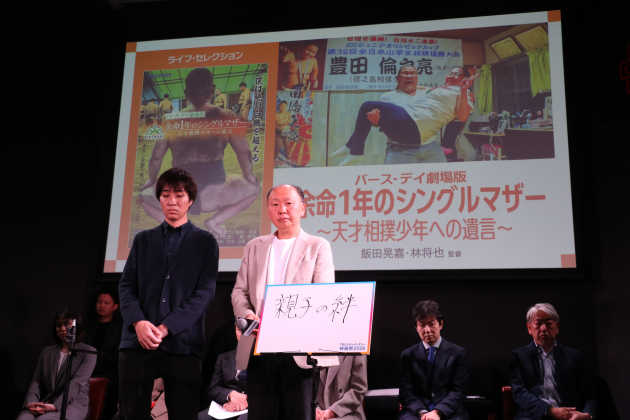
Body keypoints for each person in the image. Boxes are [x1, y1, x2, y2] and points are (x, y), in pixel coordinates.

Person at [118, 167, 219, 420]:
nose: (172, 201)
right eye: (165, 195)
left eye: (179, 195)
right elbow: (126, 286)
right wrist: (138, 323)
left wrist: (166, 327)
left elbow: (204, 293)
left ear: (191, 200)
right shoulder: (143, 240)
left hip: (183, 342)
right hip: (138, 340)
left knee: (184, 412)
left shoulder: (205, 242)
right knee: (131, 413)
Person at [231, 184, 335, 420]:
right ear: (268, 210)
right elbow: (239, 291)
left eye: (289, 203)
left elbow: (323, 296)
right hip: (259, 347)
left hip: (299, 351)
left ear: (303, 208)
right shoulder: (254, 246)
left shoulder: (318, 246)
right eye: (275, 204)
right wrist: (247, 316)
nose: (282, 209)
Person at [139, 68, 260, 238]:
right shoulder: (227, 116)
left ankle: (178, 227)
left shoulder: (170, 121)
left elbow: (156, 157)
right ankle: (215, 221)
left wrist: (151, 181)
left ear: (186, 93)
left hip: (179, 198)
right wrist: (249, 175)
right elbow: (243, 152)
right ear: (213, 89)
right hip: (215, 195)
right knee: (253, 189)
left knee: (143, 197)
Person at [332, 66, 477, 165]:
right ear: (397, 78)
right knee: (367, 108)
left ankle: (353, 149)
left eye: (457, 74)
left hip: (426, 141)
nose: (452, 76)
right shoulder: (389, 96)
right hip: (400, 141)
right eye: (450, 73)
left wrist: (465, 90)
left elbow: (462, 117)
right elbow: (380, 122)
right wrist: (375, 122)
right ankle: (353, 148)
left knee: (366, 106)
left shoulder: (462, 94)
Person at [510, 303, 597, 420]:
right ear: (529, 328)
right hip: (533, 416)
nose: (544, 329)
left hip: (569, 416)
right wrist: (550, 411)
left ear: (557, 327)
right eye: (538, 323)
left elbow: (589, 395)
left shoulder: (574, 356)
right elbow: (519, 392)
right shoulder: (518, 356)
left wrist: (587, 416)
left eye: (549, 323)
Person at [16, 309, 96, 420]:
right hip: (47, 402)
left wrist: (55, 406)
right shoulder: (47, 352)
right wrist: (31, 403)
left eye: (67, 324)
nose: (62, 328)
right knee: (23, 418)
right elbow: (37, 381)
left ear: (77, 325)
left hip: (73, 406)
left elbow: (76, 383)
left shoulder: (88, 352)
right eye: (59, 325)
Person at [398, 300, 469, 420]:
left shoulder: (457, 353)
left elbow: (459, 391)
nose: (427, 330)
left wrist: (438, 412)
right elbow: (405, 392)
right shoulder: (408, 355)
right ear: (416, 327)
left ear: (441, 324)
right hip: (417, 412)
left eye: (432, 324)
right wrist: (422, 412)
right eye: (422, 325)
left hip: (449, 411)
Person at [84, 286, 123, 420]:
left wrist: (96, 367)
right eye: (99, 302)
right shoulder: (88, 327)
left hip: (109, 374)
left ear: (115, 306)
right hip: (86, 370)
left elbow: (117, 356)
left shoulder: (120, 329)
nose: (101, 306)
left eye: (106, 303)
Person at [198, 323, 249, 420]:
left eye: (248, 329)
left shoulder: (265, 359)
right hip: (226, 406)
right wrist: (230, 394)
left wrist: (242, 400)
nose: (243, 333)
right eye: (239, 330)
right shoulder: (224, 358)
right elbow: (213, 389)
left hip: (252, 407)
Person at [316, 355, 368, 420]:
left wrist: (333, 411)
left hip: (348, 413)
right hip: (317, 412)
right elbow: (306, 389)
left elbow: (359, 389)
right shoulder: (309, 349)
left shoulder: (356, 350)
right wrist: (314, 410)